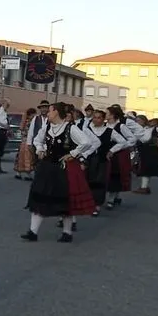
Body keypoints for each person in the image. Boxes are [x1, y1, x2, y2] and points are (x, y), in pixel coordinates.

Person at [21, 102, 97, 243]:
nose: (48, 114)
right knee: (40, 197)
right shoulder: (47, 127)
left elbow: (86, 142)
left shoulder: (70, 128)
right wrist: (40, 149)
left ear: (56, 112)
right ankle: (32, 232)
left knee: (64, 200)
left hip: (63, 169)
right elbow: (37, 140)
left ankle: (67, 233)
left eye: (50, 111)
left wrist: (73, 154)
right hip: (47, 167)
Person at [133, 116, 158, 194]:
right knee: (144, 169)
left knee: (146, 169)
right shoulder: (141, 129)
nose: (137, 122)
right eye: (136, 121)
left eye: (139, 121)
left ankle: (144, 187)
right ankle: (144, 186)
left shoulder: (153, 128)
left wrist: (157, 139)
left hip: (149, 150)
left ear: (144, 121)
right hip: (144, 149)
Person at [14, 108, 37, 180]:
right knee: (28, 157)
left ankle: (19, 172)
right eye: (33, 115)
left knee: (21, 156)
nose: (34, 116)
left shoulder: (26, 122)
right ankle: (27, 173)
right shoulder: (30, 122)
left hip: (24, 141)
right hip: (28, 141)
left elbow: (22, 130)